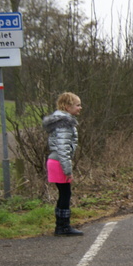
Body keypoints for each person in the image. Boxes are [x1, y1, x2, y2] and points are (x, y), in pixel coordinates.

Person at [42, 92, 84, 236]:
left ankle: (61, 226)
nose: (80, 108)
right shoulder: (64, 124)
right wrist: (68, 170)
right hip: (59, 162)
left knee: (64, 193)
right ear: (67, 107)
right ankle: (63, 227)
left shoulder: (61, 121)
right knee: (65, 194)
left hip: (56, 161)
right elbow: (63, 148)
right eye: (77, 105)